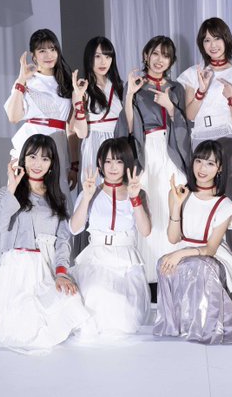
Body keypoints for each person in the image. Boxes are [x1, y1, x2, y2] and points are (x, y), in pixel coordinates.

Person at [0, 134, 88, 354]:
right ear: (23, 159)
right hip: (17, 270)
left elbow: (63, 240)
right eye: (32, 157)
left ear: (52, 164)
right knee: (27, 330)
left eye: (45, 159)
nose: (37, 164)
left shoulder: (57, 198)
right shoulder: (6, 193)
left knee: (72, 304)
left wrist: (61, 273)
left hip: (46, 268)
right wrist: (12, 187)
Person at [114, 36, 190, 296]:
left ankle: (173, 273)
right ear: (146, 55)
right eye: (155, 53)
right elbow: (127, 127)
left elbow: (183, 127)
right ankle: (148, 279)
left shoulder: (176, 88)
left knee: (170, 207)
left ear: (171, 60)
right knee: (148, 210)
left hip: (171, 151)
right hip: (146, 151)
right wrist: (130, 95)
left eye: (165, 55)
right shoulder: (135, 85)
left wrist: (171, 108)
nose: (160, 60)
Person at [153, 140, 232, 344]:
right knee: (163, 264)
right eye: (199, 161)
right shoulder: (179, 193)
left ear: (220, 168)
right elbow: (173, 238)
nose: (202, 168)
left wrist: (179, 254)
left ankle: (206, 325)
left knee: (197, 266)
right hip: (185, 249)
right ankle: (178, 324)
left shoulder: (225, 204)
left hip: (214, 257)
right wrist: (177, 205)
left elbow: (210, 249)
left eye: (210, 163)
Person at [68, 138, 151, 341]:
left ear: (127, 164)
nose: (113, 167)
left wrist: (135, 199)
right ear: (100, 163)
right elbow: (74, 228)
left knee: (125, 317)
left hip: (125, 261)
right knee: (95, 297)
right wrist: (86, 197)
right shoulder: (91, 192)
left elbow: (145, 230)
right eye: (108, 161)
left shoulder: (137, 193)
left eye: (119, 161)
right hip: (96, 258)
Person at [4, 29, 83, 211]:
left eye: (52, 49)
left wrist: (74, 165)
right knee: (26, 200)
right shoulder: (28, 81)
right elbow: (13, 117)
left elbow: (71, 129)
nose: (48, 55)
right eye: (42, 51)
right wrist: (21, 80)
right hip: (30, 145)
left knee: (57, 203)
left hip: (58, 146)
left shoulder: (66, 83)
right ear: (34, 56)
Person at [177, 17, 232, 206]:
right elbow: (190, 115)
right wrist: (201, 91)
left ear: (226, 39)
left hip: (227, 138)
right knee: (201, 196)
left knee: (228, 195)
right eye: (207, 40)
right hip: (200, 138)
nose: (212, 45)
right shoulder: (193, 73)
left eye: (217, 38)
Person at [71, 36, 124, 182]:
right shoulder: (82, 89)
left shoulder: (120, 87)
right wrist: (79, 98)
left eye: (107, 56)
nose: (103, 62)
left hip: (118, 142)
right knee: (94, 188)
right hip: (93, 143)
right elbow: (81, 133)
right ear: (89, 58)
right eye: (97, 56)